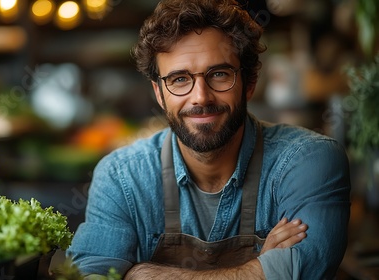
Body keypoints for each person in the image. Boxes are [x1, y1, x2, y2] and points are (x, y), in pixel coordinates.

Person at [66, 0, 351, 279]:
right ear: (158, 93)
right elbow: (89, 275)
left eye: (219, 74)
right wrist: (260, 269)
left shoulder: (309, 161)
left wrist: (137, 273)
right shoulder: (120, 176)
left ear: (249, 84)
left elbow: (304, 271)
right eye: (179, 79)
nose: (201, 97)